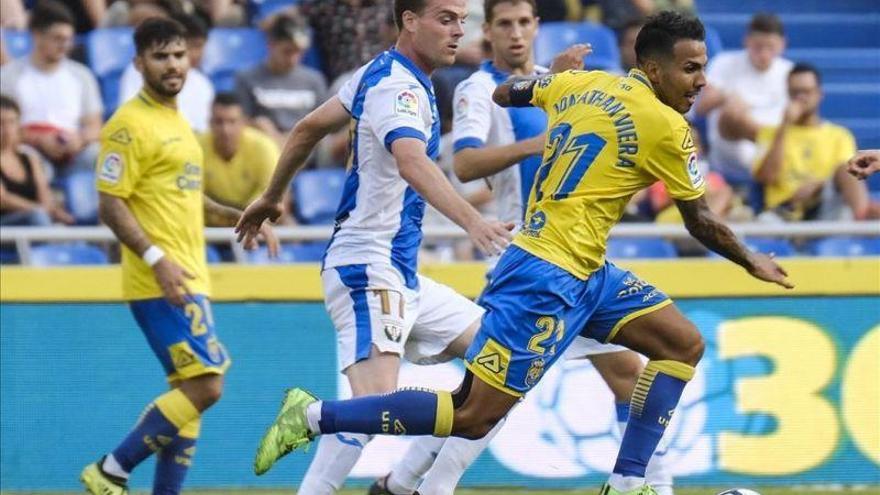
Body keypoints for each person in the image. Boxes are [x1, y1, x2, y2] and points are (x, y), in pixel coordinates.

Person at [250, 11, 794, 495]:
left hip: (585, 272)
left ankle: (629, 483)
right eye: (691, 69)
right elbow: (698, 219)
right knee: (471, 415)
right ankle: (318, 416)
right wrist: (752, 260)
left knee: (682, 343)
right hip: (543, 276)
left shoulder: (580, 84)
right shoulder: (669, 127)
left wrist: (551, 81)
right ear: (654, 71)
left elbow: (506, 94)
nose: (701, 81)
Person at [370, 2, 671, 493]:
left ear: (537, 27)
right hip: (528, 260)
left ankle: (401, 483)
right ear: (487, 31)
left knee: (615, 376)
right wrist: (546, 140)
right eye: (504, 24)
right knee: (495, 397)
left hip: (573, 262)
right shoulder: (479, 90)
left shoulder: (558, 85)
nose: (515, 33)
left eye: (524, 23)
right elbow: (465, 164)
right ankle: (411, 484)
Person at [235, 0, 513, 491]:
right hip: (366, 265)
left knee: (502, 364)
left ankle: (400, 484)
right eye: (445, 18)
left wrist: (271, 196)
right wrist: (474, 221)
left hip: (400, 271)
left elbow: (306, 129)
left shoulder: (381, 72)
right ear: (409, 20)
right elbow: (411, 160)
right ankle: (314, 416)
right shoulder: (397, 86)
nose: (458, 31)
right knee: (372, 408)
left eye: (462, 21)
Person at [78, 18, 277, 495]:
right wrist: (155, 259)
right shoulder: (127, 125)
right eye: (160, 56)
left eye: (179, 55)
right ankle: (111, 470)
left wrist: (239, 215)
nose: (172, 64)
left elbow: (192, 201)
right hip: (159, 279)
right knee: (208, 386)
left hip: (191, 276)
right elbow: (110, 202)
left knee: (189, 394)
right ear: (139, 63)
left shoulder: (180, 125)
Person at [743, 64, 878, 221]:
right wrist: (784, 125)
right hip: (784, 211)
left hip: (825, 207)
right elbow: (767, 178)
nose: (800, 97)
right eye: (794, 92)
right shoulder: (770, 133)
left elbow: (849, 176)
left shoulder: (840, 135)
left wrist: (818, 186)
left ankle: (862, 223)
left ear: (819, 94)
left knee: (845, 171)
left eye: (806, 91)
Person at [0, 0, 103, 177]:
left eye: (69, 39)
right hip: (29, 150)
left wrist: (79, 139)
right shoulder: (9, 76)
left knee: (101, 155)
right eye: (57, 38)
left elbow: (95, 125)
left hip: (74, 151)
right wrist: (39, 140)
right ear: (37, 35)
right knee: (31, 162)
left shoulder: (82, 75)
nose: (65, 45)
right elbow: (5, 128)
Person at [694, 13, 792, 185]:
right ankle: (769, 146)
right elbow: (699, 109)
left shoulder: (790, 72)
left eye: (771, 47)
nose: (764, 53)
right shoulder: (724, 63)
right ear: (747, 41)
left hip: (776, 146)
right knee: (733, 110)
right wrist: (725, 96)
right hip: (732, 146)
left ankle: (769, 147)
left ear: (782, 45)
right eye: (758, 46)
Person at [235, 13, 327, 147]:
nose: (293, 59)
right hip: (266, 149)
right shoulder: (246, 78)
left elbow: (324, 125)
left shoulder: (315, 80)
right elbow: (242, 122)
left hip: (308, 148)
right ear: (271, 45)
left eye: (299, 52)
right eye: (287, 51)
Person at [200, 93, 291, 222]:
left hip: (255, 225)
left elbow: (279, 200)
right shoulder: (197, 148)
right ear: (210, 122)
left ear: (244, 122)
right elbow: (189, 198)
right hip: (210, 227)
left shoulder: (263, 147)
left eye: (232, 121)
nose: (226, 130)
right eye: (219, 121)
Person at [119, 12, 214, 132]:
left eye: (200, 47)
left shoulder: (202, 83)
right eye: (192, 46)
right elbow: (130, 118)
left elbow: (205, 130)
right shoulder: (138, 72)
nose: (196, 54)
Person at [0, 94, 74, 225]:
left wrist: (49, 210)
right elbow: (3, 199)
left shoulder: (29, 158)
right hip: (6, 227)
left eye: (11, 122)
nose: (6, 130)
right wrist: (39, 210)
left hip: (33, 221)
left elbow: (44, 194)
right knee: (37, 217)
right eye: (1, 123)